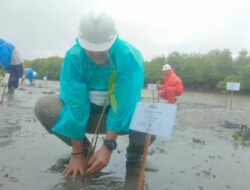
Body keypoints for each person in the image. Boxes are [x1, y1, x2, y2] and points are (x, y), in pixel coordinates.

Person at [34, 9, 155, 177]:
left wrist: (108, 146)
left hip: (121, 117)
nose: (96, 53)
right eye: (90, 49)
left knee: (154, 112)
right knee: (44, 106)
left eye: (102, 48)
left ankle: (135, 157)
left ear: (113, 39)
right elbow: (76, 104)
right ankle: (85, 152)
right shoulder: (74, 57)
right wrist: (76, 153)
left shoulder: (128, 56)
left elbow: (124, 102)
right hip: (90, 116)